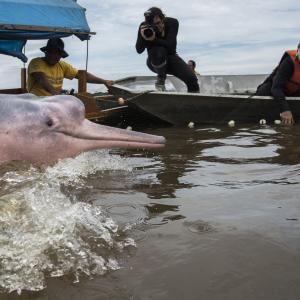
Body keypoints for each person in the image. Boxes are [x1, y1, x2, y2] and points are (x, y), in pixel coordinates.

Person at [135, 7, 199, 92]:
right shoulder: (144, 27)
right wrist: (142, 37)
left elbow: (171, 46)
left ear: (163, 18)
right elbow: (139, 50)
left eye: (158, 23)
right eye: (153, 25)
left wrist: (154, 39)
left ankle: (194, 100)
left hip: (171, 58)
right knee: (159, 51)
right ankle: (160, 79)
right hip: (154, 61)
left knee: (192, 79)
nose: (156, 27)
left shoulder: (172, 22)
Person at [27, 38, 114, 96]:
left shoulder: (62, 65)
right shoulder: (36, 62)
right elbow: (41, 79)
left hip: (55, 102)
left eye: (57, 53)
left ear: (61, 55)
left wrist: (104, 81)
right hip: (37, 103)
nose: (53, 55)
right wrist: (57, 95)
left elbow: (82, 76)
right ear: (46, 52)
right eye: (51, 52)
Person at [256, 43, 300, 125]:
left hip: (294, 90)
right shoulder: (289, 62)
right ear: (298, 52)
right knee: (262, 93)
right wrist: (285, 110)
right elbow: (276, 88)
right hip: (275, 87)